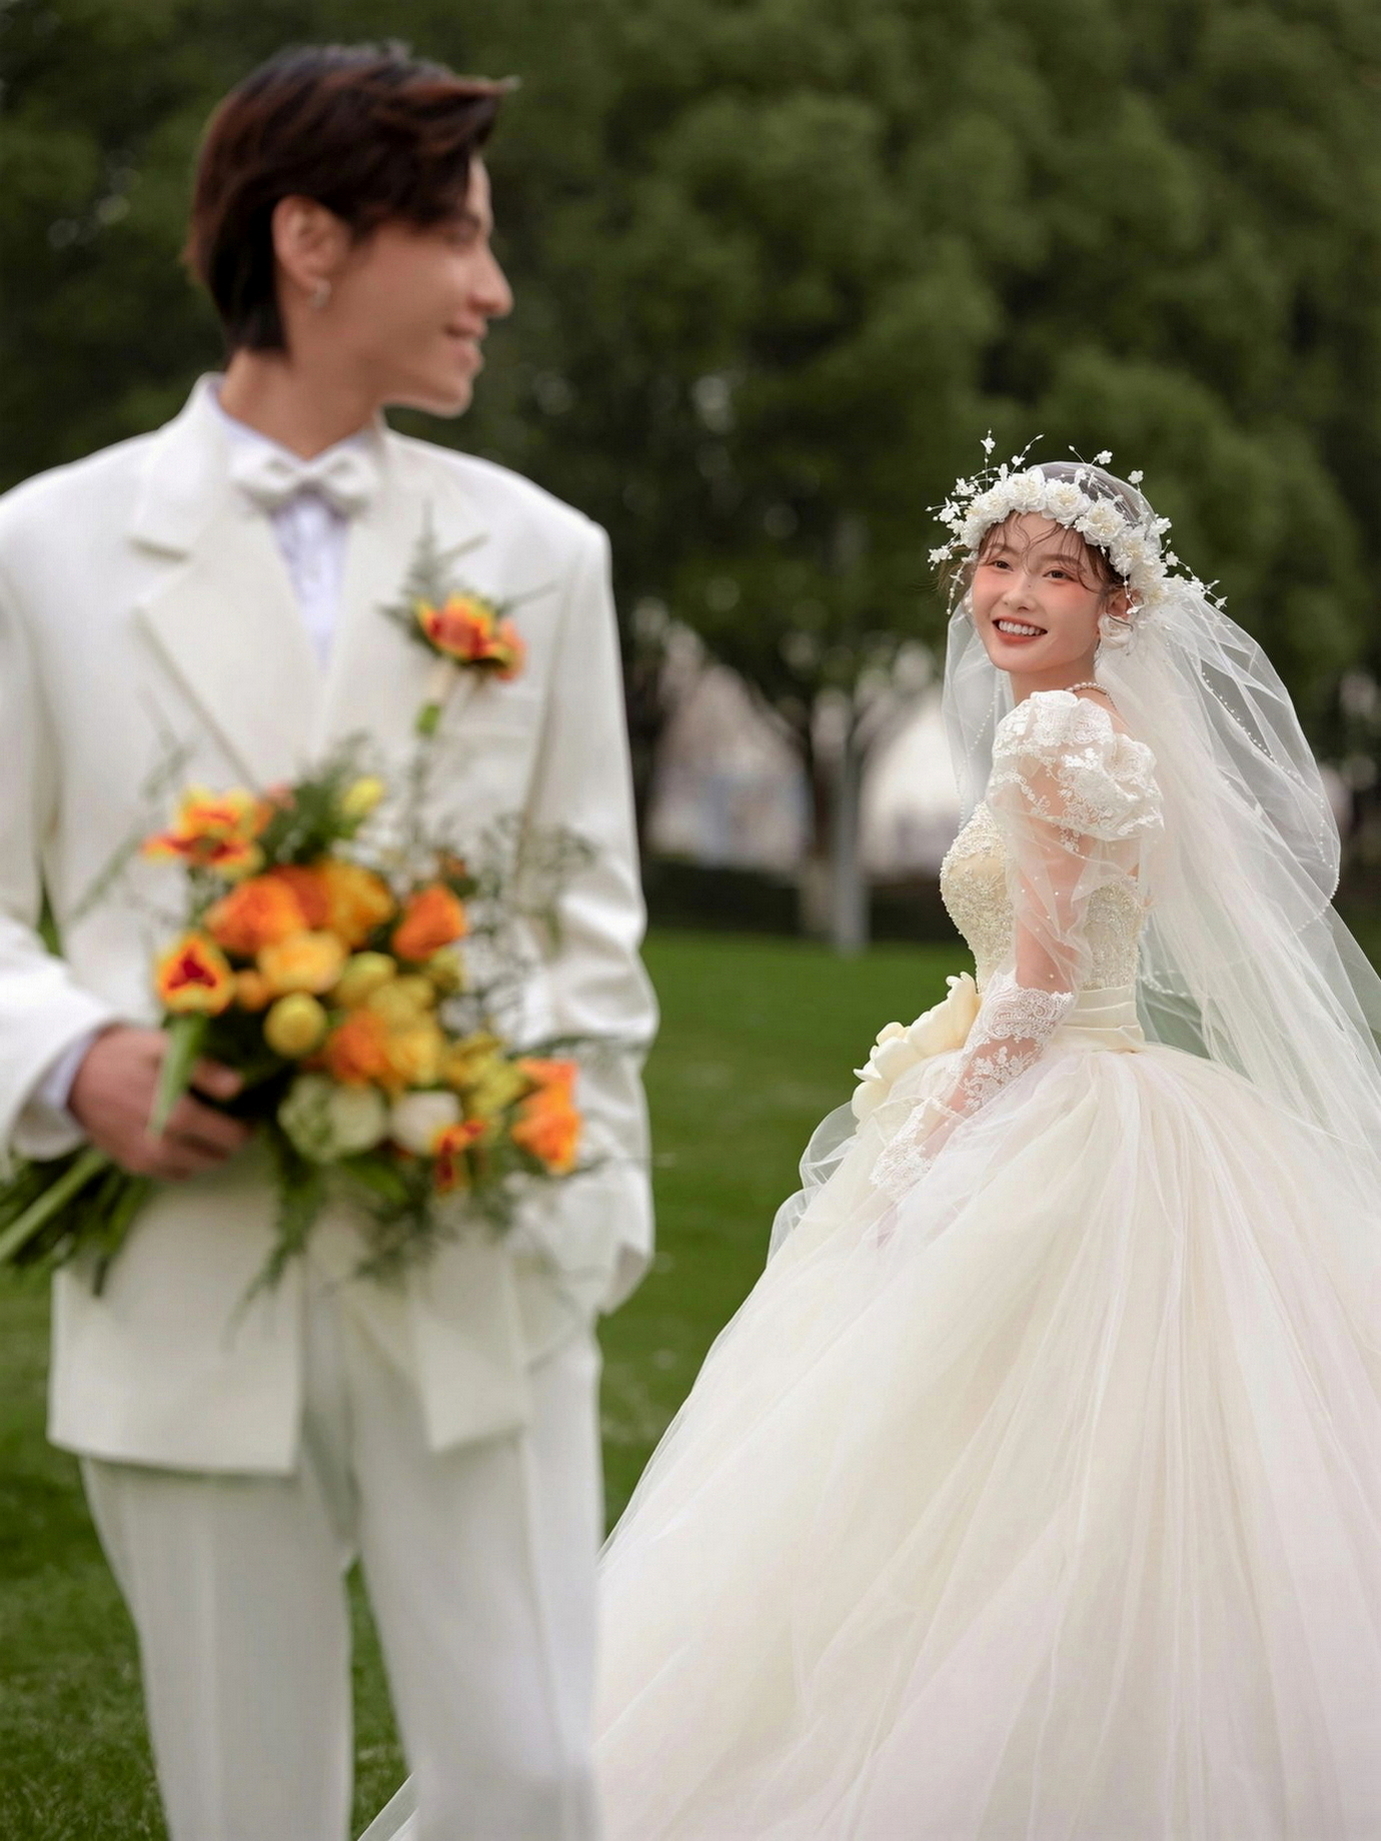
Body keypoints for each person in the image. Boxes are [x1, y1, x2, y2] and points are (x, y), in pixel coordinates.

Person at [0, 43, 654, 1841]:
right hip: (185, 1270)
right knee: (247, 1808)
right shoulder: (43, 549)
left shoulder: (543, 557)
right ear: (310, 241)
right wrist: (70, 1056)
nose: (493, 287)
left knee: (534, 1782)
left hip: (482, 1264)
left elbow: (586, 924)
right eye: (459, 236)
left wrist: (589, 1211)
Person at [580, 455, 1381, 1837]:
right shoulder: (1102, 726)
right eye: (998, 564)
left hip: (1058, 1097)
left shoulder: (1052, 735)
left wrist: (929, 1134)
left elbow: (1042, 982)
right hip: (1123, 1092)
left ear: (1114, 605)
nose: (1014, 593)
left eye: (1055, 573)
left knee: (971, 1452)